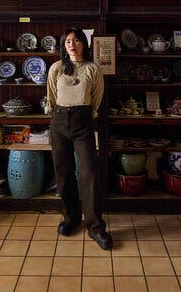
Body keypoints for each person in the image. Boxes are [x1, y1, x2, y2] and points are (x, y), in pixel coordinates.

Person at [46, 27, 112, 250]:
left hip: (83, 123)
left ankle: (95, 227)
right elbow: (51, 96)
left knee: (89, 173)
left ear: (84, 44)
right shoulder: (56, 68)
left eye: (75, 41)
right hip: (58, 123)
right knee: (63, 174)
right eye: (67, 42)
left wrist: (86, 116)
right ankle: (71, 218)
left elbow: (97, 99)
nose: (71, 45)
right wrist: (58, 116)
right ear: (64, 47)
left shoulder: (93, 69)